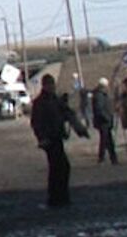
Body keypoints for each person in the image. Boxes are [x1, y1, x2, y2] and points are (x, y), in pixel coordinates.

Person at [29, 74, 85, 207]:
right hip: (49, 139)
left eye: (53, 84)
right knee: (58, 168)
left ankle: (62, 197)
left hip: (57, 137)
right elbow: (36, 123)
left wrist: (79, 128)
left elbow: (67, 113)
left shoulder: (55, 99)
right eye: (50, 84)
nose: (52, 87)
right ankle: (56, 199)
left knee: (62, 168)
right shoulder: (40, 102)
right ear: (45, 86)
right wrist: (42, 138)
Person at [90, 77, 119, 165]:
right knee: (105, 140)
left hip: (105, 121)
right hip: (103, 122)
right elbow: (99, 109)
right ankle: (104, 158)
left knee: (107, 140)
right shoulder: (99, 95)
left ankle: (112, 158)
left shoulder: (102, 94)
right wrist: (107, 117)